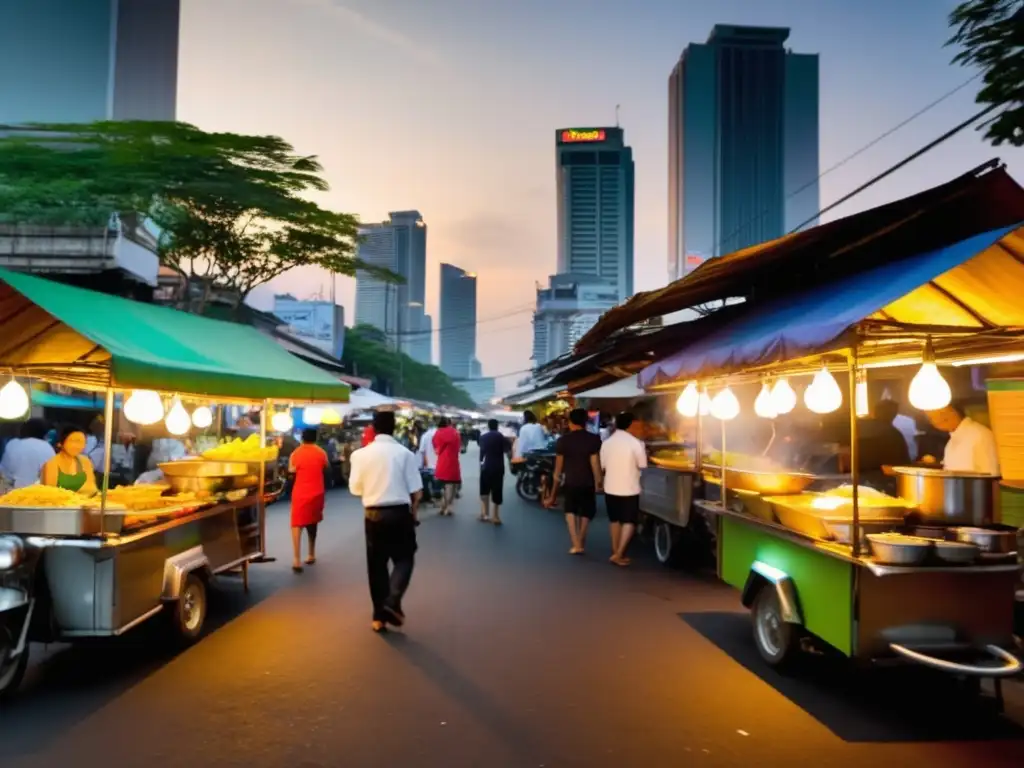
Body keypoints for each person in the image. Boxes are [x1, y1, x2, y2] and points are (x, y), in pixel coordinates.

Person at [348, 410, 423, 633]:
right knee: (404, 558)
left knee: (377, 565)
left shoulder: (359, 455)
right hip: (399, 513)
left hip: (372, 515)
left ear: (373, 428)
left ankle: (378, 618)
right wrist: (414, 513)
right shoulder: (405, 454)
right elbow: (416, 492)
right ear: (394, 428)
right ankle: (392, 600)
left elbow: (355, 489)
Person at [547, 408, 602, 555]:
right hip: (587, 481)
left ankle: (576, 543)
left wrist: (553, 494)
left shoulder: (563, 441)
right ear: (585, 422)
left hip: (570, 481)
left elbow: (558, 470)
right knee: (586, 512)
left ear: (570, 422)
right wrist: (599, 482)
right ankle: (581, 540)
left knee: (570, 511)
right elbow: (595, 463)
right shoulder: (594, 439)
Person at [600, 411, 647, 566]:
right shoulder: (636, 443)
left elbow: (603, 465)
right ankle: (619, 553)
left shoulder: (607, 443)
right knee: (629, 521)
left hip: (610, 487)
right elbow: (643, 465)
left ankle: (615, 552)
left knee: (615, 520)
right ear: (631, 424)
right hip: (629, 488)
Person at [288, 428, 330, 572]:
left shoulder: (296, 453)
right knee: (312, 523)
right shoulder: (321, 452)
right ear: (316, 438)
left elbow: (291, 470)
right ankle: (311, 553)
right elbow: (326, 467)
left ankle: (296, 559)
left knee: (296, 523)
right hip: (317, 492)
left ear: (302, 438)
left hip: (300, 492)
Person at [925, 401, 1000, 475]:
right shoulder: (951, 441)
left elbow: (992, 474)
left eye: (940, 414)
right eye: (931, 418)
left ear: (952, 411)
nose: (936, 421)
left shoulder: (980, 434)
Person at [41, 426, 98, 495]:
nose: (78, 446)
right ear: (60, 443)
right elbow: (50, 493)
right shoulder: (51, 464)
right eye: (73, 441)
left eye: (82, 442)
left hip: (86, 503)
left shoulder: (85, 461)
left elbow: (92, 488)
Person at [0, 418, 55, 489]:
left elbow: (4, 472)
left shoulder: (12, 444)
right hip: (38, 493)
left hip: (12, 493)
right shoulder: (47, 448)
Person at [477, 419, 507, 525]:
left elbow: (482, 453)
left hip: (486, 467)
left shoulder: (483, 437)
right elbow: (507, 450)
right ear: (497, 426)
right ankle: (496, 516)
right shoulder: (501, 437)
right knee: (497, 491)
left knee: (485, 490)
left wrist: (481, 463)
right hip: (498, 467)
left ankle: (485, 514)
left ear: (488, 426)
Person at [432, 417, 462, 515]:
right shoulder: (455, 433)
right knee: (452, 485)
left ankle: (443, 506)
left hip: (442, 462)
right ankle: (447, 507)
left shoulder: (437, 433)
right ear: (449, 424)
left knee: (445, 485)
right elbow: (459, 447)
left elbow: (436, 448)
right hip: (453, 461)